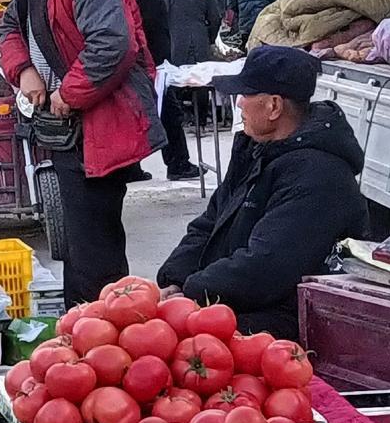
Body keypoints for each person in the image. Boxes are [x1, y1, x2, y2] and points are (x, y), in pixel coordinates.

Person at [0, 0, 164, 304]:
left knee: (95, 251)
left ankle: (100, 337)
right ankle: (85, 333)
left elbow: (113, 42)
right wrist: (25, 72)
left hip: (101, 128)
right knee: (80, 243)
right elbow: (10, 29)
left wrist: (68, 95)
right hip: (74, 132)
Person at [158, 46, 368, 339]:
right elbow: (209, 223)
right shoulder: (256, 150)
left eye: (245, 94)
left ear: (273, 106)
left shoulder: (318, 175)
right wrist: (176, 278)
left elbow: (266, 267)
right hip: (236, 300)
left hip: (287, 321)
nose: (239, 103)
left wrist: (193, 290)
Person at [129, 0, 203, 182]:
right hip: (153, 64)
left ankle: (130, 167)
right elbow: (152, 29)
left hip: (142, 63)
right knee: (170, 114)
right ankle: (178, 164)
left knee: (141, 115)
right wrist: (159, 62)